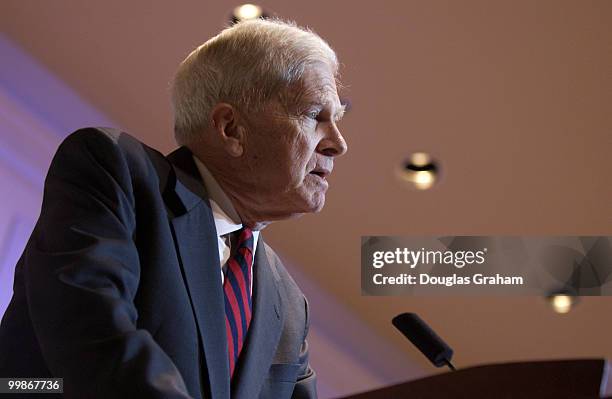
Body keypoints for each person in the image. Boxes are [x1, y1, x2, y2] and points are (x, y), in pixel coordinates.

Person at [0, 18, 347, 399]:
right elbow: (92, 334)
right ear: (230, 128)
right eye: (315, 115)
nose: (338, 144)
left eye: (337, 120)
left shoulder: (289, 305)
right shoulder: (117, 173)